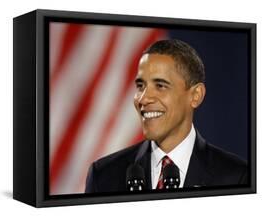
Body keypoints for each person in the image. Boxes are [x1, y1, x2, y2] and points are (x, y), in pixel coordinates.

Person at [85, 39, 248, 193]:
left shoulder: (237, 176)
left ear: (195, 95)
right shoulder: (103, 176)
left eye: (160, 85)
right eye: (141, 86)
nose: (144, 99)